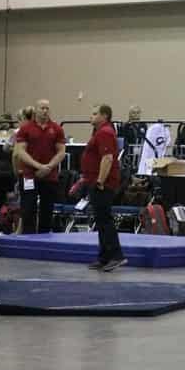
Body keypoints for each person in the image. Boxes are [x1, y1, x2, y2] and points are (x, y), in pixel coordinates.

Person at [80, 104, 124, 272]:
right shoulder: (99, 132)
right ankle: (104, 257)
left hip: (103, 183)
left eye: (94, 113)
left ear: (104, 116)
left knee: (105, 219)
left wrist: (100, 181)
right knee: (100, 220)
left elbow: (107, 158)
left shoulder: (105, 132)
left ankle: (116, 256)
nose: (91, 116)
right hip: (95, 181)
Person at [13, 99, 66, 235]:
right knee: (28, 208)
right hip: (29, 175)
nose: (45, 111)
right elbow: (20, 151)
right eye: (42, 108)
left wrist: (48, 167)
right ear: (36, 110)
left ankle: (44, 238)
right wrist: (38, 166)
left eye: (47, 108)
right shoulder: (25, 129)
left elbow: (61, 152)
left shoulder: (57, 129)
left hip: (49, 176)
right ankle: (28, 238)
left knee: (47, 209)